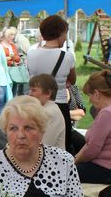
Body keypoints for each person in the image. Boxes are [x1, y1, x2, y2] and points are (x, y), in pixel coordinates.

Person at [27, 15, 76, 151]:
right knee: (60, 144)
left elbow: (31, 77)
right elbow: (73, 80)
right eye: (65, 33)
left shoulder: (31, 54)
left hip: (36, 103)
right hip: (58, 103)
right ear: (60, 33)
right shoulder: (67, 56)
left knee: (35, 141)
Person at [74, 71, 111, 184]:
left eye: (90, 95)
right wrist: (75, 158)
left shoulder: (107, 113)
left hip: (107, 170)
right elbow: (90, 145)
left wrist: (74, 162)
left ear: (97, 93)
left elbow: (92, 149)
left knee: (61, 174)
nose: (90, 100)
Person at [28, 74, 65, 150]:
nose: (30, 94)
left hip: (50, 159)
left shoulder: (49, 113)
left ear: (48, 93)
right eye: (30, 90)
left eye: (34, 90)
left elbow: (43, 145)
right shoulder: (47, 109)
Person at [1, 26, 25, 97]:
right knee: (7, 91)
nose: (13, 37)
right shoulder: (0, 46)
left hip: (14, 71)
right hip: (5, 71)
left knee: (14, 90)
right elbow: (1, 60)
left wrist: (13, 58)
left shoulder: (13, 45)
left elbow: (17, 58)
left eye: (13, 35)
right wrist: (10, 60)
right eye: (11, 35)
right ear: (6, 36)